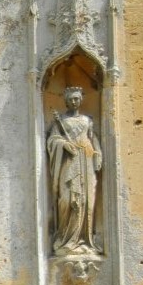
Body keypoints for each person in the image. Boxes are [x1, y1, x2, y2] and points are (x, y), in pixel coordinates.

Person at [46, 86, 102, 256]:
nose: (74, 101)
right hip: (69, 163)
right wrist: (63, 145)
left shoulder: (87, 120)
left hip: (86, 161)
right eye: (70, 99)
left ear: (81, 99)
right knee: (67, 199)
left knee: (86, 201)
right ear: (66, 101)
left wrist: (97, 154)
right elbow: (52, 140)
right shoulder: (60, 122)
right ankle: (65, 239)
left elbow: (93, 139)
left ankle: (85, 240)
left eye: (77, 98)